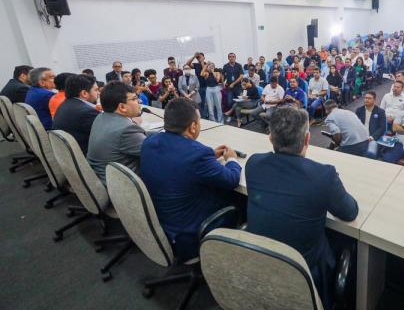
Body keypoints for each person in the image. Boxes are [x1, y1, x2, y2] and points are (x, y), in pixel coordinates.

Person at [245, 106, 358, 310]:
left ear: (270, 138)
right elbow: (350, 212)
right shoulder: (324, 175)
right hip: (304, 272)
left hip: (259, 261)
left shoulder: (253, 163)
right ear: (307, 139)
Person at [140, 98, 241, 261]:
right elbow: (232, 179)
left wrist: (209, 159)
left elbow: (178, 162)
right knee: (238, 199)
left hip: (161, 220)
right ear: (193, 126)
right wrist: (232, 159)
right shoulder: (198, 154)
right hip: (189, 233)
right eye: (199, 121)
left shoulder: (149, 142)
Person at [87, 81, 153, 184]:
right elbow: (156, 152)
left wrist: (163, 134)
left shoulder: (101, 117)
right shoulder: (126, 130)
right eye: (135, 99)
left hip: (102, 178)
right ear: (122, 107)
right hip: (122, 187)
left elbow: (141, 135)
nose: (139, 101)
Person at [52, 74, 100, 155]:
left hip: (67, 155)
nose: (98, 93)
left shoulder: (65, 104)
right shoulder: (86, 112)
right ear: (84, 93)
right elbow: (109, 135)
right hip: (88, 157)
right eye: (96, 90)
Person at [355, 91, 386, 159]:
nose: (366, 100)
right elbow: (355, 125)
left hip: (373, 138)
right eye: (365, 98)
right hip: (360, 137)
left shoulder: (380, 112)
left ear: (374, 100)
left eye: (369, 98)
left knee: (371, 154)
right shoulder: (359, 110)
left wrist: (372, 137)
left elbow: (382, 128)